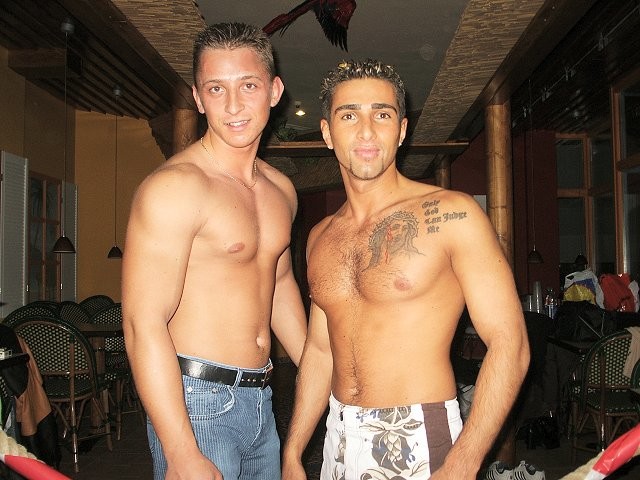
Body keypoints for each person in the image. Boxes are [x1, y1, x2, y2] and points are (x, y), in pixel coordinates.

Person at [281, 59, 530, 480]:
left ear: (401, 130)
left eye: (382, 115)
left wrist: (464, 461)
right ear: (326, 132)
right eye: (348, 115)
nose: (366, 131)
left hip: (416, 436)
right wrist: (293, 452)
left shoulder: (453, 214)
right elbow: (320, 351)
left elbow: (511, 343)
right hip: (338, 439)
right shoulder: (320, 236)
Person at [122, 22, 307, 480]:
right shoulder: (175, 188)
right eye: (216, 89)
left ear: (274, 90)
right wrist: (180, 450)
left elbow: (279, 282)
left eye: (248, 85)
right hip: (197, 404)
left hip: (262, 399)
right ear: (198, 98)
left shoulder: (282, 190)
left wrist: (321, 372)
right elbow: (142, 323)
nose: (234, 105)